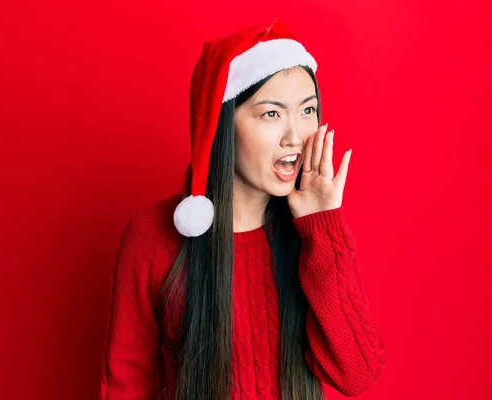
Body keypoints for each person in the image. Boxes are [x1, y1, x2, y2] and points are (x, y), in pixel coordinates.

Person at [99, 18, 387, 400]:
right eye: (272, 114)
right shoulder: (152, 236)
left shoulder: (311, 238)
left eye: (307, 110)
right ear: (222, 125)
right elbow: (125, 383)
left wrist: (323, 227)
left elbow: (357, 375)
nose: (296, 136)